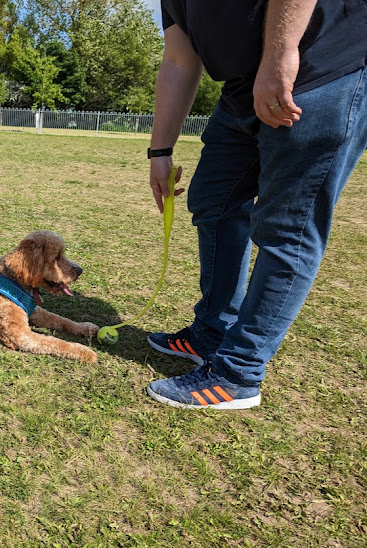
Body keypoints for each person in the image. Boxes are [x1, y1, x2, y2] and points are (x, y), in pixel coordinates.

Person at [145, 0, 367, 409]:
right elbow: (179, 58)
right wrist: (160, 150)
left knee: (287, 227)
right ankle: (211, 332)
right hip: (241, 89)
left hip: (320, 67)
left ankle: (238, 374)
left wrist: (281, 55)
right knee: (214, 199)